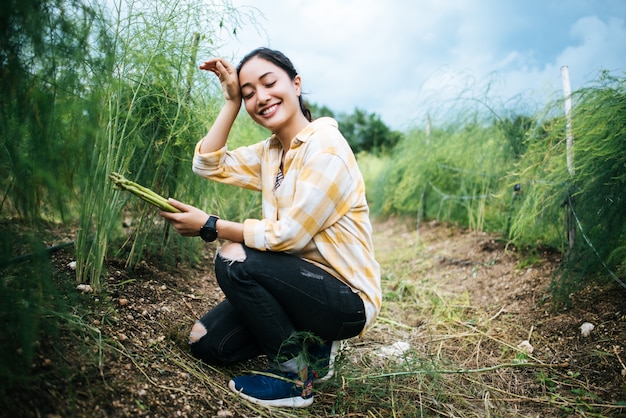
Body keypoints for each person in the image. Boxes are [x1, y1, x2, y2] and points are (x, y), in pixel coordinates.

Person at [159, 47, 381, 408]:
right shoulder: (272, 152)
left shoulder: (326, 148)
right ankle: (312, 344)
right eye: (249, 93)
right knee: (205, 342)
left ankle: (297, 378)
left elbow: (288, 235)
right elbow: (207, 164)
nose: (260, 98)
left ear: (295, 84)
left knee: (233, 256)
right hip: (296, 286)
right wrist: (231, 101)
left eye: (268, 83)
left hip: (344, 299)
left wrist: (211, 225)